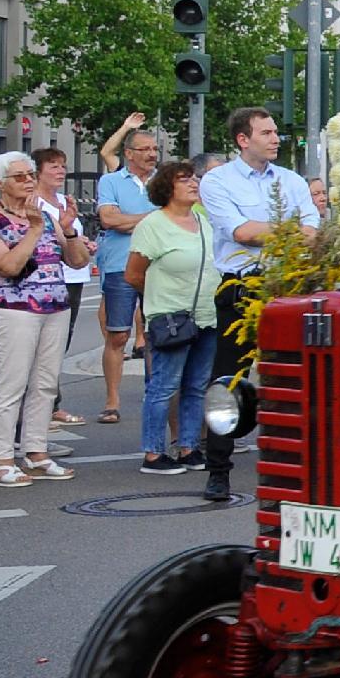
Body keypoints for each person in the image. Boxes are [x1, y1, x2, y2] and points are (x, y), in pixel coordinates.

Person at [201, 107, 323, 500]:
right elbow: (240, 232)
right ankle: (217, 470)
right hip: (240, 288)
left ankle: (295, 465)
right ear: (243, 139)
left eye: (275, 132)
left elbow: (314, 232)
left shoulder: (291, 181)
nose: (276, 139)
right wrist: (290, 231)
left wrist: (274, 233)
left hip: (287, 286)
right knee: (228, 379)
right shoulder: (217, 181)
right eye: (266, 133)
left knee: (293, 378)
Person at [0, 152, 86, 487]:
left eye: (30, 175)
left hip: (55, 306)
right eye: (19, 176)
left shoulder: (47, 218)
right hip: (15, 309)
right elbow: (5, 266)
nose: (28, 181)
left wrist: (68, 231)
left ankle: (36, 452)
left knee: (46, 383)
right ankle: (0, 458)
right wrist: (35, 228)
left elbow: (77, 261)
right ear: (0, 184)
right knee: (12, 383)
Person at [126, 157, 220, 476]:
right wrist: (161, 298)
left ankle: (188, 447)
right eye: (184, 179)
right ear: (168, 187)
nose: (193, 183)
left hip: (206, 315)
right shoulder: (153, 225)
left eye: (194, 178)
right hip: (171, 317)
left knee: (196, 385)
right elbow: (134, 275)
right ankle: (153, 452)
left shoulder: (203, 221)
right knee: (164, 386)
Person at [95, 114, 158, 425]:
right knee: (118, 335)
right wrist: (153, 218)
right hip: (120, 265)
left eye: (155, 149)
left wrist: (129, 218)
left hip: (158, 266)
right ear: (129, 153)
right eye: (145, 149)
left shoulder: (163, 182)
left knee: (156, 333)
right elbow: (109, 220)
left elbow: (173, 217)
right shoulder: (111, 180)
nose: (152, 154)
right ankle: (111, 400)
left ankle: (155, 391)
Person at [35, 147, 93, 427]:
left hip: (74, 274)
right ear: (38, 171)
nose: (60, 171)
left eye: (62, 166)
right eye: (53, 166)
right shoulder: (34, 202)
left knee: (61, 343)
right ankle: (46, 405)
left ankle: (50, 403)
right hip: (49, 278)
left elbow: (73, 236)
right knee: (45, 345)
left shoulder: (63, 199)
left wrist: (84, 244)